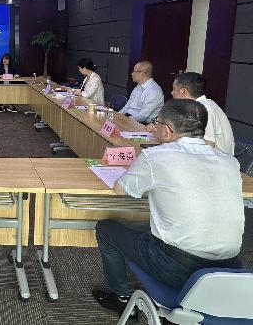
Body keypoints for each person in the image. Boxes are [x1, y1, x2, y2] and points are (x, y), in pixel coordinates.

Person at [92, 99, 244, 315]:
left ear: (168, 130)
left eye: (157, 122)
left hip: (179, 267)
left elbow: (120, 189)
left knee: (106, 229)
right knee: (149, 227)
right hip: (231, 268)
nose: (155, 126)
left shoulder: (155, 156)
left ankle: (121, 297)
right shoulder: (229, 161)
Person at [167, 72, 234, 155]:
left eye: (174, 89)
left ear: (183, 91)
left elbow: (208, 146)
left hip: (217, 160)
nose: (172, 92)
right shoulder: (199, 106)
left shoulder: (204, 109)